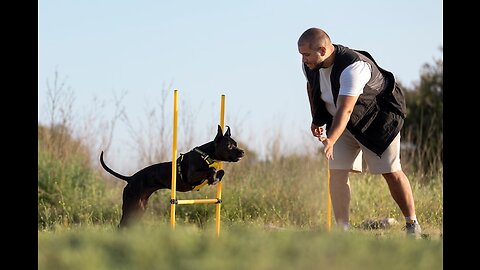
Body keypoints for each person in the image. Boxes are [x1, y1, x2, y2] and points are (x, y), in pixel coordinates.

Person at [297, 27, 421, 237]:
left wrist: (331, 139)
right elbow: (313, 88)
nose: (303, 59)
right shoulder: (308, 65)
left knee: (391, 172)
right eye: (301, 54)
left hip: (376, 122)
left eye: (307, 54)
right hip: (342, 124)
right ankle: (343, 232)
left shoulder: (353, 68)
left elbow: (346, 109)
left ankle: (412, 224)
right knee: (337, 172)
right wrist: (316, 119)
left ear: (323, 49)